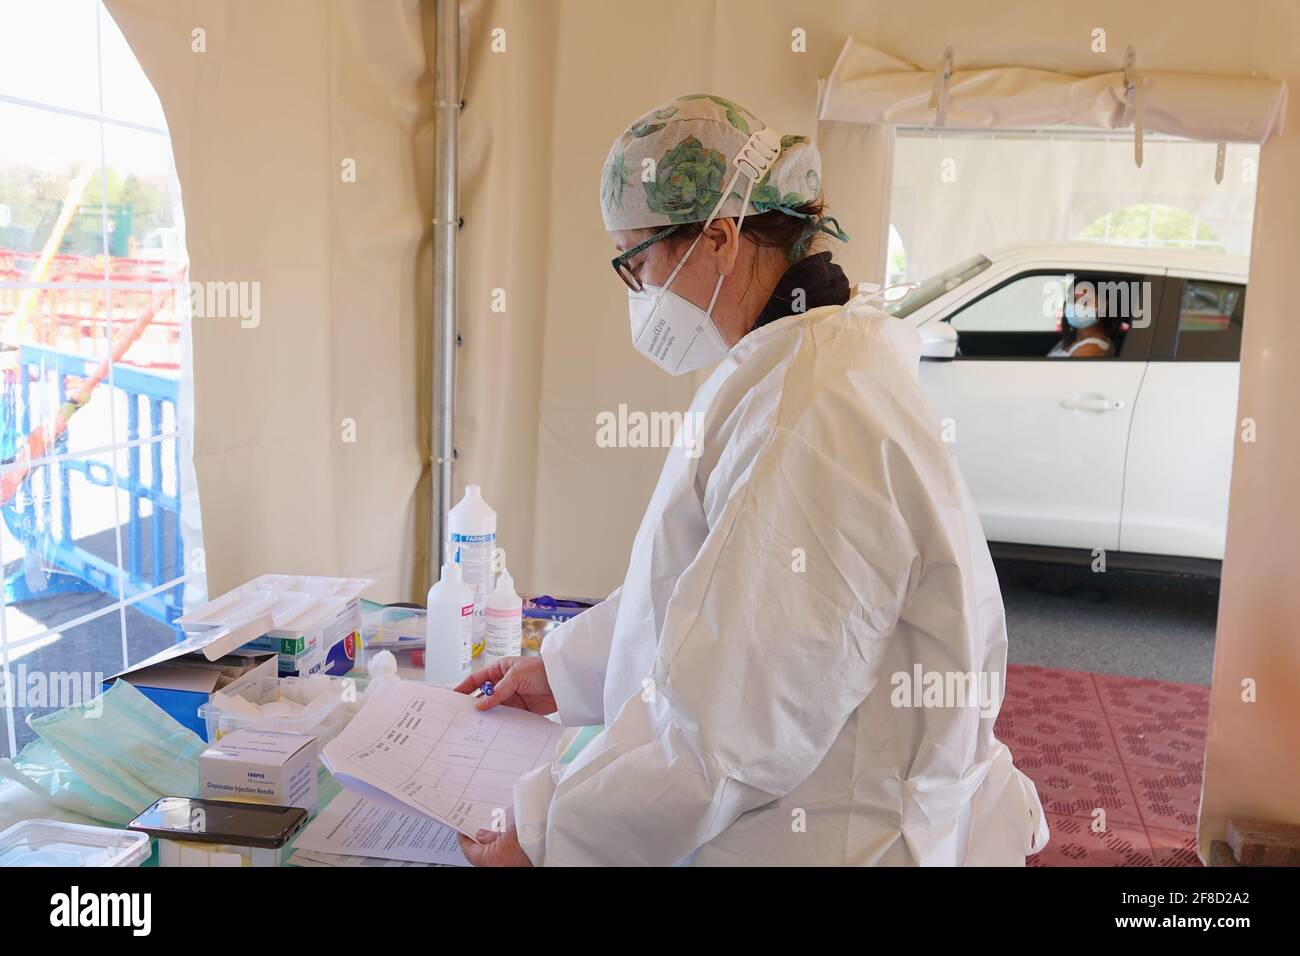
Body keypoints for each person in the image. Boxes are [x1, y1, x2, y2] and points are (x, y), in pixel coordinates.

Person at [454, 94, 1047, 866]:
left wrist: (549, 840)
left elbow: (733, 725)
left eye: (638, 263)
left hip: (826, 832)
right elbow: (698, 593)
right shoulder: (815, 355)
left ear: (718, 240)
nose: (637, 293)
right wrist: (564, 671)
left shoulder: (810, 411)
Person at [1049, 281, 1122, 357]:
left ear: (1104, 306)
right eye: (1074, 300)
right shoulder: (1072, 340)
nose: (1077, 306)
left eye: (1086, 301)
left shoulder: (1092, 348)